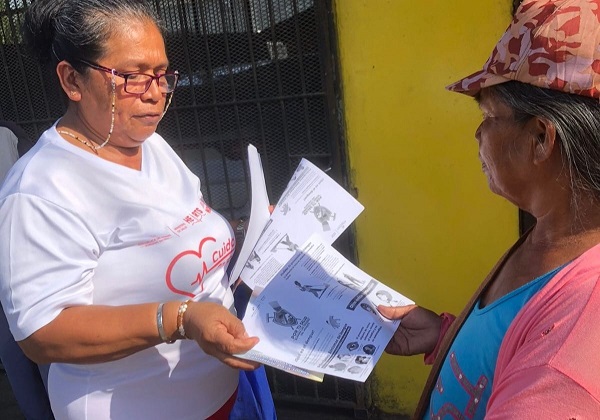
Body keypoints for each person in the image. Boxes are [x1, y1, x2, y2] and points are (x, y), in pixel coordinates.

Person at [0, 1, 266, 418]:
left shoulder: (151, 146)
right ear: (73, 79)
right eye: (133, 76)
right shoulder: (42, 188)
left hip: (226, 392)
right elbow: (42, 333)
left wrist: (251, 233)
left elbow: (180, 229)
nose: (156, 92)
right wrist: (178, 319)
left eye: (162, 75)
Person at [378, 0, 600, 418]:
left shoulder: (565, 364)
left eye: (490, 115)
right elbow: (514, 338)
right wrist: (446, 336)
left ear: (540, 138)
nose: (478, 133)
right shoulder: (552, 236)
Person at [0, 122, 54, 419]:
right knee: (31, 342)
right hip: (22, 250)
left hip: (22, 251)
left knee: (22, 345)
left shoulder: (7, 133)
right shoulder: (8, 133)